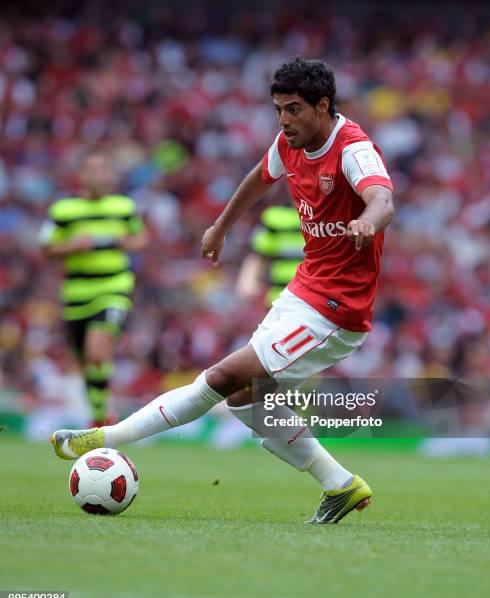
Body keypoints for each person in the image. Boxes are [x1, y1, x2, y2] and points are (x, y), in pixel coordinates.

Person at [51, 57, 394, 524]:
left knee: (221, 378)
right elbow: (259, 177)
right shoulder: (288, 143)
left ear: (322, 105)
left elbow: (382, 198)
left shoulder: (352, 149)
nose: (284, 120)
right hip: (305, 289)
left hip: (337, 308)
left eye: (293, 109)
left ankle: (106, 436)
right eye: (278, 109)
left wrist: (365, 222)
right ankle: (340, 486)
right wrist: (220, 226)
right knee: (242, 400)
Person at [40, 149, 148, 426]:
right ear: (82, 175)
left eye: (104, 170)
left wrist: (114, 242)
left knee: (97, 351)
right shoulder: (64, 210)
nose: (100, 175)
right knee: (87, 361)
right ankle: (100, 415)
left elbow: (140, 240)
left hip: (113, 287)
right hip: (76, 293)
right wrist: (73, 245)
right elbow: (47, 248)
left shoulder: (123, 206)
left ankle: (102, 418)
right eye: (93, 170)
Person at [236, 204, 304, 306]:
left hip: (316, 299)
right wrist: (248, 280)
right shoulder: (275, 217)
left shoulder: (329, 218)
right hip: (279, 297)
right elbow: (258, 254)